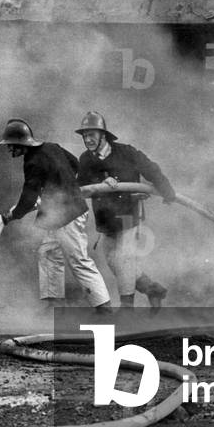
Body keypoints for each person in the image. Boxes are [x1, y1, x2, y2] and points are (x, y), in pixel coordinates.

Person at [0, 118, 113, 313]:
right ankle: (54, 304)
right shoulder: (52, 147)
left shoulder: (32, 162)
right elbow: (75, 163)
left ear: (21, 143)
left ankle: (104, 307)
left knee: (79, 261)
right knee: (48, 252)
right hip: (58, 215)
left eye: (11, 145)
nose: (9, 150)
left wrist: (13, 216)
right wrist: (60, 186)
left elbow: (28, 198)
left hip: (68, 216)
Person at [75, 111, 175, 310]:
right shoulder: (85, 159)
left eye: (92, 134)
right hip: (106, 219)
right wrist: (100, 181)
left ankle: (127, 309)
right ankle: (152, 290)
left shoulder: (126, 153)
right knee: (113, 262)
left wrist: (167, 191)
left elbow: (151, 169)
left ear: (103, 135)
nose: (88, 139)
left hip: (128, 215)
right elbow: (82, 186)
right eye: (85, 135)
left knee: (124, 259)